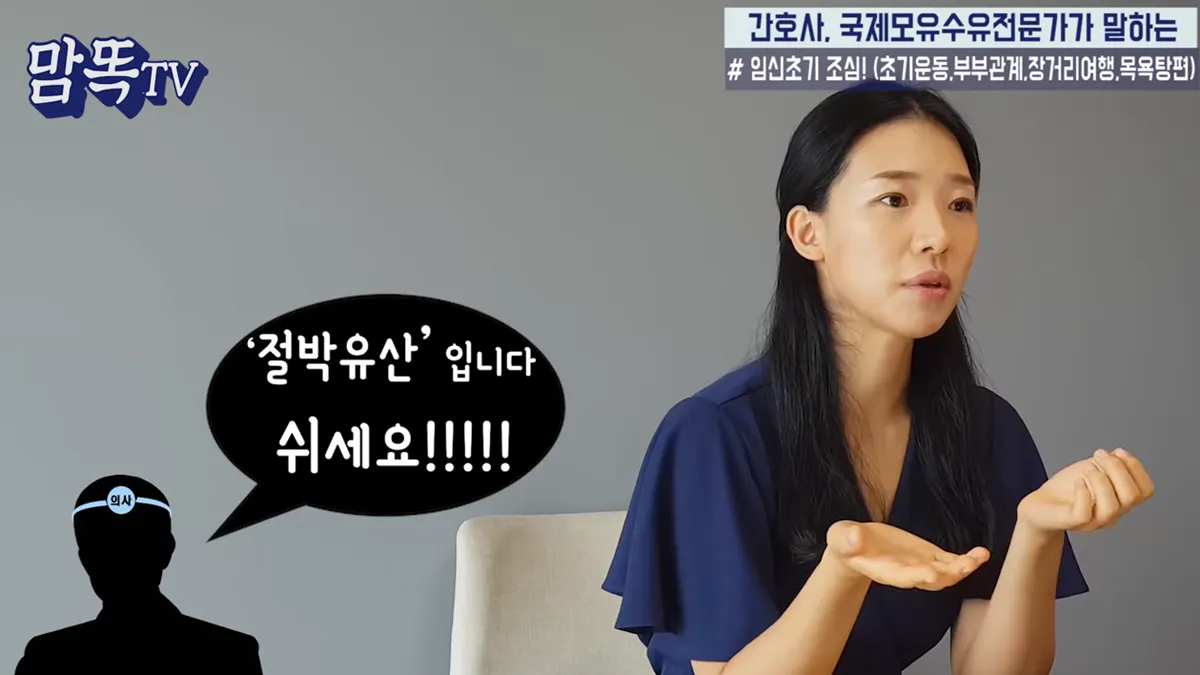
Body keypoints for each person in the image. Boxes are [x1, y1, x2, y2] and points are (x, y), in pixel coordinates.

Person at [601, 82, 1155, 675]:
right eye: (894, 199)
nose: (938, 236)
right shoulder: (713, 436)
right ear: (807, 233)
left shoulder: (986, 430)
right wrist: (843, 570)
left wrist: (1035, 534)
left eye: (960, 204)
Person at [15, 475, 264, 674]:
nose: (119, 562)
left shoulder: (50, 659)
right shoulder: (228, 654)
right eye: (104, 550)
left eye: (133, 547)